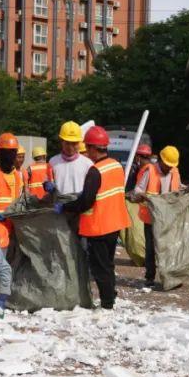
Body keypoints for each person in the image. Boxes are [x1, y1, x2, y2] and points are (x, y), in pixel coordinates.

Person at [57, 126, 130, 309]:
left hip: (98, 226)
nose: (86, 152)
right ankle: (110, 295)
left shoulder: (95, 171)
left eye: (87, 148)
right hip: (115, 223)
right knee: (108, 264)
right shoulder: (116, 165)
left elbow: (85, 202)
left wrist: (65, 207)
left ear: (91, 148)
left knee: (100, 267)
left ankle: (107, 304)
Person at [129, 145, 182, 289]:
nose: (169, 168)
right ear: (160, 160)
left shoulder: (175, 172)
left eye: (172, 165)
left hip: (168, 218)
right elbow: (137, 191)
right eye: (167, 165)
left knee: (169, 248)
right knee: (151, 249)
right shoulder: (150, 171)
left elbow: (178, 188)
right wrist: (143, 197)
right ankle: (150, 277)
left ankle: (170, 277)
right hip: (151, 218)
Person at [49, 121, 93, 194]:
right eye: (67, 143)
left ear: (79, 142)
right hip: (59, 203)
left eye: (74, 143)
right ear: (61, 141)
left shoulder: (88, 164)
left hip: (79, 204)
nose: (70, 147)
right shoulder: (53, 162)